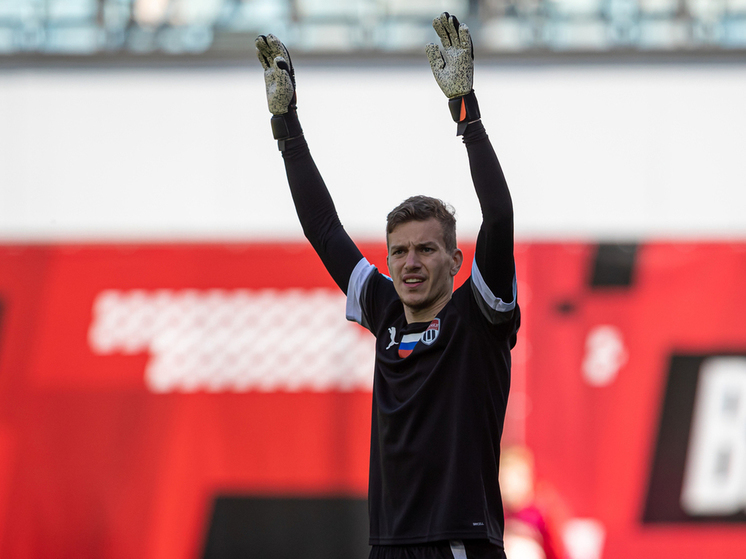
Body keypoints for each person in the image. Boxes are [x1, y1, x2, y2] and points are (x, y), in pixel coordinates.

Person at [256, 12, 519, 559]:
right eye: (398, 252)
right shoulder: (386, 309)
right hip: (388, 545)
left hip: (458, 542)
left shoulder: (478, 316)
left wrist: (465, 111)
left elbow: (498, 214)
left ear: (456, 259)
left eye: (426, 249)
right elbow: (323, 229)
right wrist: (286, 124)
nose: (410, 263)